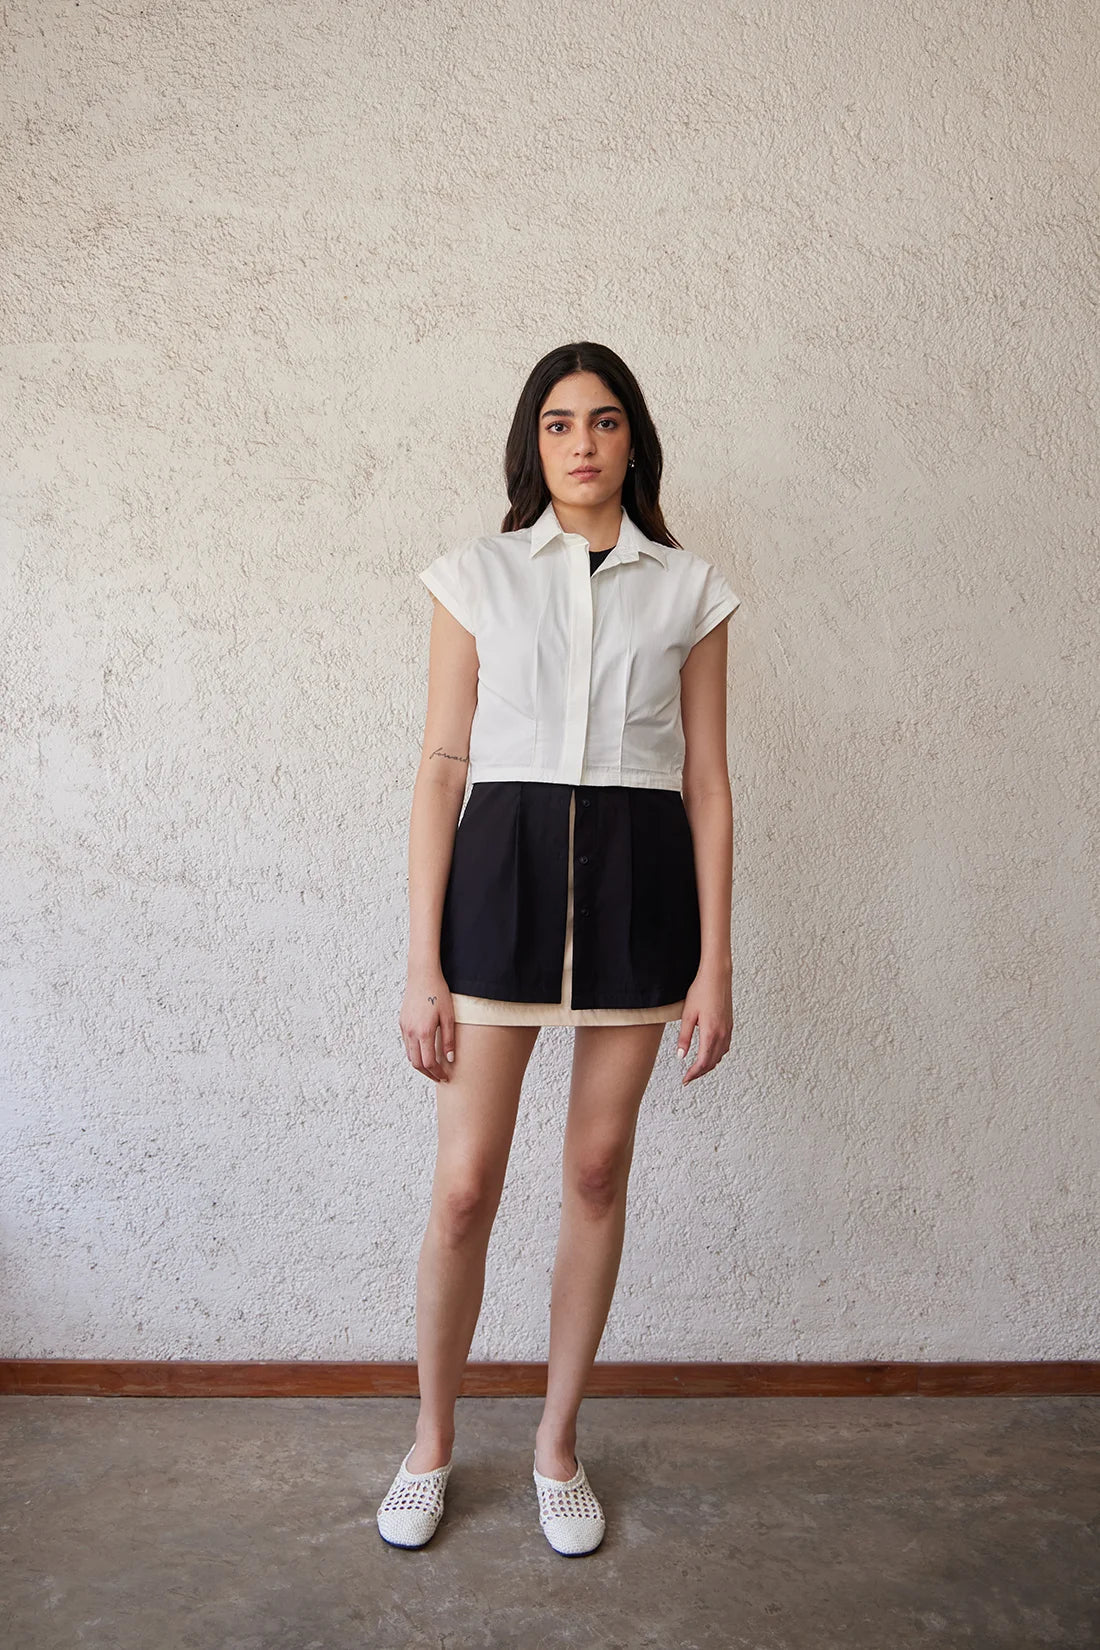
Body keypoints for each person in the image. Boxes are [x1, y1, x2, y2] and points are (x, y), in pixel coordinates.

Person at [376, 341, 741, 1556]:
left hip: (638, 894)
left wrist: (715, 964)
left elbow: (706, 783)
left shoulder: (688, 590)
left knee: (593, 1172)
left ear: (634, 440)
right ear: (531, 445)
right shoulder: (474, 576)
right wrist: (421, 964)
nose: (581, 442)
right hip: (499, 888)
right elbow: (442, 767)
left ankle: (555, 1445)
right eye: (556, 422)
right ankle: (430, 1443)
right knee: (463, 1186)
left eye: (603, 420)